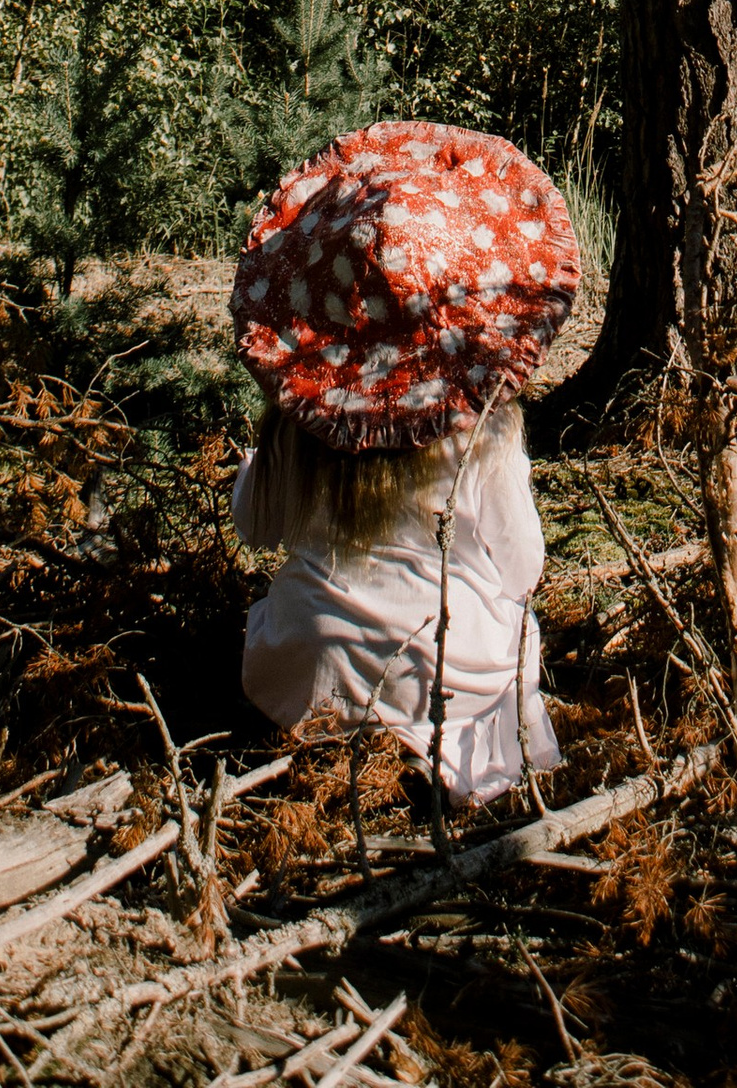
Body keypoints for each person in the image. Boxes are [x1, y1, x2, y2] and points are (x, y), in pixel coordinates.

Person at [228, 118, 576, 802]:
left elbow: (255, 526)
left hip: (312, 663)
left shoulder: (302, 416)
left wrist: (253, 469)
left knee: (279, 615)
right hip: (446, 667)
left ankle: (333, 746)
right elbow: (522, 566)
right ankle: (450, 764)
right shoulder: (484, 427)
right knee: (514, 627)